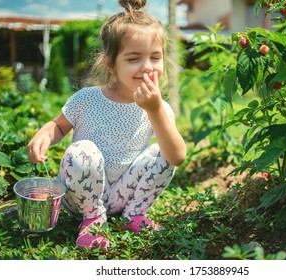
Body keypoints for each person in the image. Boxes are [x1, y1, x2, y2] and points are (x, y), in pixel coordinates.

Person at [27, 0, 186, 250]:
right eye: (133, 59)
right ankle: (92, 220)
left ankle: (133, 215)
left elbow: (177, 157)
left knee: (163, 151)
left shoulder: (159, 109)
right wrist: (45, 134)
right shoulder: (86, 99)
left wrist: (155, 110)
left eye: (155, 57)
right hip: (81, 196)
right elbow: (58, 127)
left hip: (125, 194)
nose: (147, 67)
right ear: (110, 63)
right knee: (83, 150)